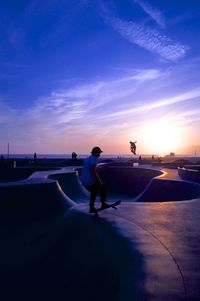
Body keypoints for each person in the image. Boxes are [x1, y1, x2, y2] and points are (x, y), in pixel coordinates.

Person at [80, 146, 108, 213]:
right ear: (95, 153)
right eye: (99, 153)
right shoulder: (94, 159)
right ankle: (98, 205)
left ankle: (93, 206)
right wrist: (99, 181)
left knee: (95, 190)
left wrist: (100, 168)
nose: (99, 154)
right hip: (89, 180)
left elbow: (92, 169)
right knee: (101, 187)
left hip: (84, 180)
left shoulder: (88, 158)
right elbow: (93, 172)